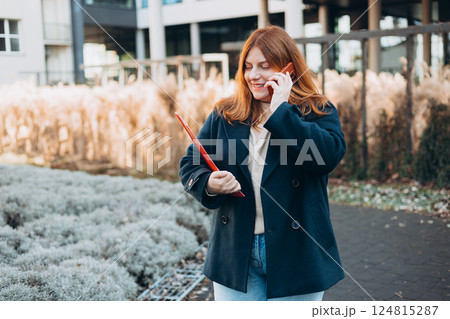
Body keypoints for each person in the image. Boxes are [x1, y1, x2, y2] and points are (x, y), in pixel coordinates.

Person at [179, 25, 346, 301]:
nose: (253, 75)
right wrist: (209, 182)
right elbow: (190, 164)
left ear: (288, 69)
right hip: (236, 252)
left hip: (297, 252)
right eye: (248, 66)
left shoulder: (316, 109)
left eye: (264, 66)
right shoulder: (226, 113)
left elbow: (325, 157)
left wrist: (282, 111)